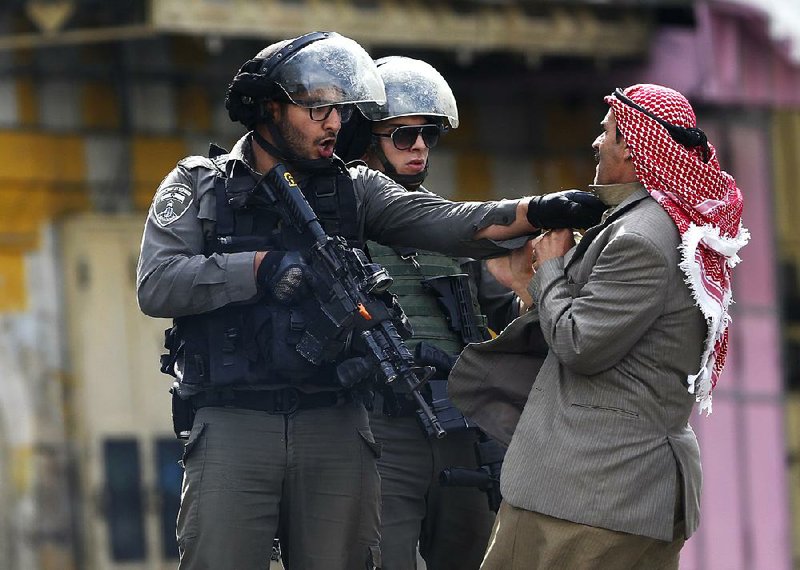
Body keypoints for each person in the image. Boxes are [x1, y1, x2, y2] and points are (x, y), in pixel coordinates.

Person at [135, 31, 606, 570]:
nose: (334, 123)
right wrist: (262, 270)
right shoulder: (200, 184)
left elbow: (446, 222)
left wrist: (540, 209)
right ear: (270, 108)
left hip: (335, 421)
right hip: (234, 421)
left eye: (337, 109)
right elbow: (158, 282)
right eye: (317, 109)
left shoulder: (353, 189)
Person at [451, 83, 750, 569]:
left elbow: (581, 343)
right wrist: (534, 287)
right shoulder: (661, 226)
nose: (596, 142)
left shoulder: (641, 239)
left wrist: (549, 266)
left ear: (634, 149)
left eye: (607, 132)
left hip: (586, 497)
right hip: (624, 495)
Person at [336, 56, 520, 570]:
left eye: (428, 135)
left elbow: (506, 314)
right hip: (381, 428)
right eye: (403, 136)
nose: (419, 147)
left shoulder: (451, 230)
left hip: (459, 427)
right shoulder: (333, 229)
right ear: (366, 139)